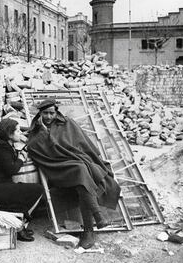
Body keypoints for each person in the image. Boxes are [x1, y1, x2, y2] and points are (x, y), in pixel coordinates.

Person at [27, 98, 121, 249]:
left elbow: (82, 143)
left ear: (56, 112)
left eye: (52, 113)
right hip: (57, 167)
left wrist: (82, 157)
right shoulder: (37, 130)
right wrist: (43, 134)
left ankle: (89, 230)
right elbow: (34, 148)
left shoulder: (67, 123)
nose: (49, 117)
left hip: (76, 161)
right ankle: (98, 217)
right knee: (81, 171)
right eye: (45, 113)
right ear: (40, 114)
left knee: (81, 175)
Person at [0, 118, 44, 242]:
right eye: (18, 131)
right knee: (38, 189)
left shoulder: (6, 145)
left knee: (24, 193)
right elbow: (12, 170)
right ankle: (19, 227)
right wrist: (21, 158)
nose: (20, 133)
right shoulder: (1, 146)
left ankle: (19, 223)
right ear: (9, 133)